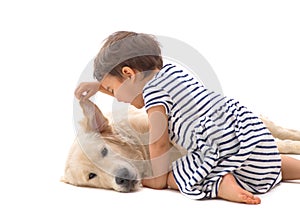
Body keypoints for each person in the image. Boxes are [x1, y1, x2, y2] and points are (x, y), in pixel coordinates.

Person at [74, 31, 300, 204]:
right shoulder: (172, 71)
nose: (117, 99)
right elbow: (131, 89)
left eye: (111, 91)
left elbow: (159, 142)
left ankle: (223, 185)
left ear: (128, 74)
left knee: (180, 172)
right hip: (252, 136)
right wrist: (101, 86)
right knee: (275, 162)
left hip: (225, 152)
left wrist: (159, 179)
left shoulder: (154, 99)